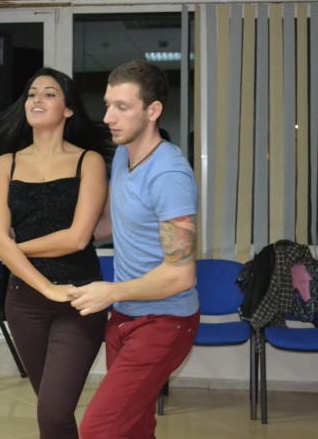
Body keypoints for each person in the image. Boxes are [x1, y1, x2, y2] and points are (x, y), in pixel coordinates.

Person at [0, 67, 112, 439]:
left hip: (79, 298)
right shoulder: (5, 164)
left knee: (53, 412)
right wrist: (45, 286)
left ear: (68, 109)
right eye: (32, 93)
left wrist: (13, 248)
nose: (37, 99)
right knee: (52, 413)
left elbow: (77, 238)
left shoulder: (89, 161)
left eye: (49, 94)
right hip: (24, 302)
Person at [69, 60, 199, 439]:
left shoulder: (169, 175)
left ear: (153, 110)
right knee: (134, 428)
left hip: (164, 321)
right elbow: (109, 224)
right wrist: (45, 235)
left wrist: (111, 292)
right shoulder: (125, 154)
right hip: (126, 315)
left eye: (122, 107)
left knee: (98, 429)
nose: (108, 117)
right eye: (108, 105)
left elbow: (180, 275)